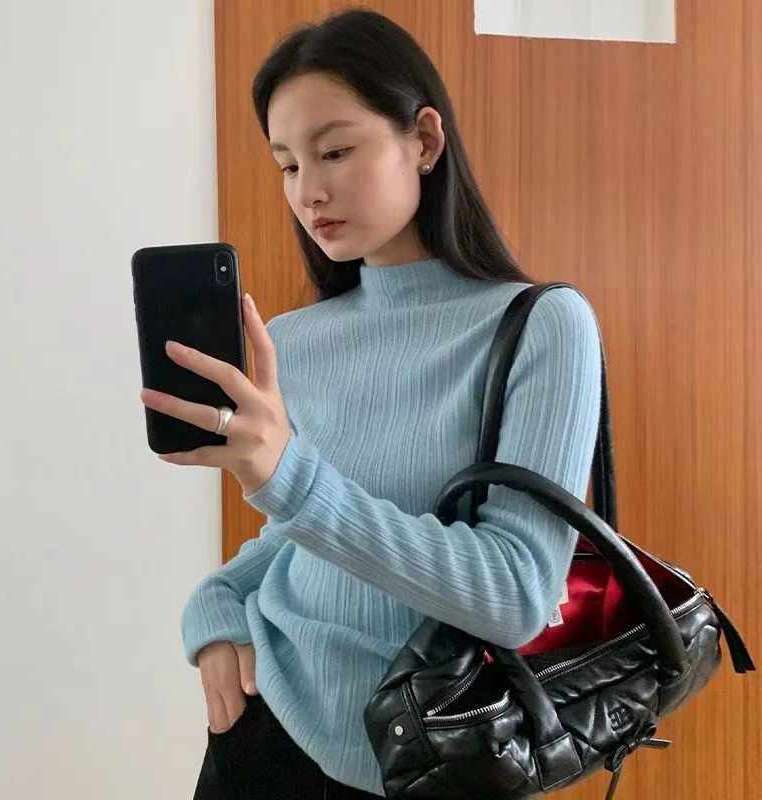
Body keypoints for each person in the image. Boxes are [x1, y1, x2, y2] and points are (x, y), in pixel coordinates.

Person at [182, 7, 602, 799]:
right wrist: (216, 602)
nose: (309, 191)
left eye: (335, 151)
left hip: (431, 752)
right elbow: (302, 542)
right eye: (287, 165)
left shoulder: (542, 325)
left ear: (425, 140)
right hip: (263, 737)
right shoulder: (295, 340)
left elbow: (515, 595)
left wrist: (286, 476)